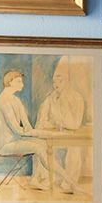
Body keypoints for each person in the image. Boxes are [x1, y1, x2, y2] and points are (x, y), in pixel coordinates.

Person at [0, 68, 71, 191]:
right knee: (39, 147)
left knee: (44, 143)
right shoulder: (2, 101)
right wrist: (50, 133)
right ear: (10, 82)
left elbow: (28, 127)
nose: (22, 85)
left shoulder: (16, 100)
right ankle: (70, 181)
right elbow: (18, 130)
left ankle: (35, 179)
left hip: (17, 140)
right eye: (19, 81)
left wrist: (50, 134)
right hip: (5, 145)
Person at [34, 58, 86, 195]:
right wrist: (53, 124)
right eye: (54, 82)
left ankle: (68, 183)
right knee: (43, 146)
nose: (56, 84)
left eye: (60, 81)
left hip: (71, 135)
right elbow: (41, 121)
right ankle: (47, 179)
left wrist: (61, 120)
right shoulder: (49, 98)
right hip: (53, 135)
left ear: (67, 82)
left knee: (74, 149)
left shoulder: (76, 98)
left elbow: (75, 124)